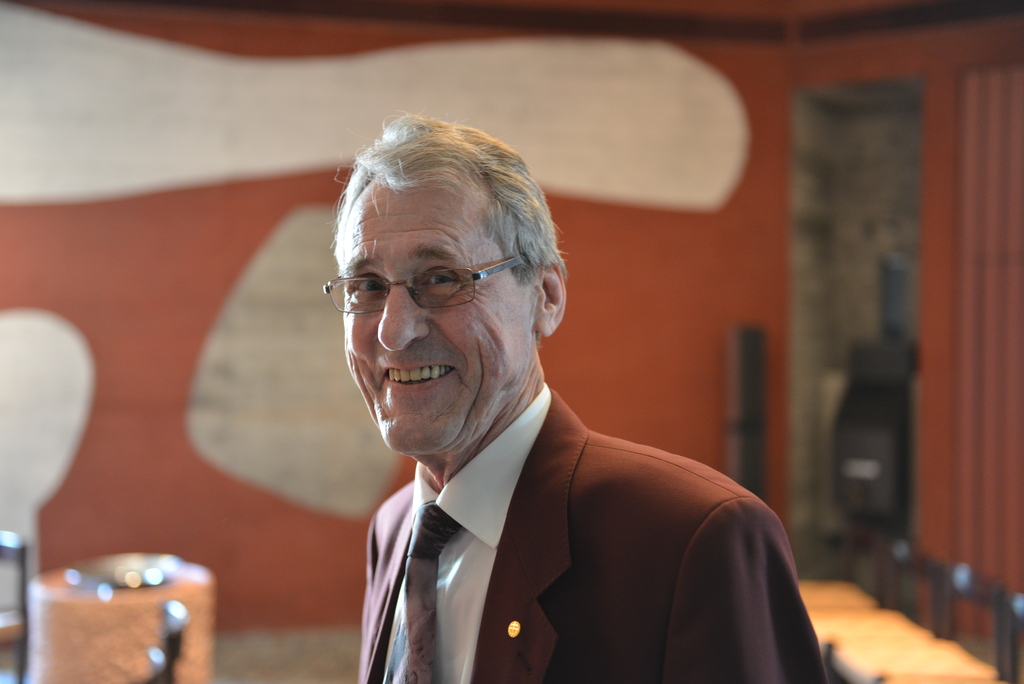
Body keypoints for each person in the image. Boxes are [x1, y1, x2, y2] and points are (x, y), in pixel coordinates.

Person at [326, 114, 827, 684]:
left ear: (545, 297)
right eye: (367, 286)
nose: (393, 331)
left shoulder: (694, 539)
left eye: (441, 277)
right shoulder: (396, 530)